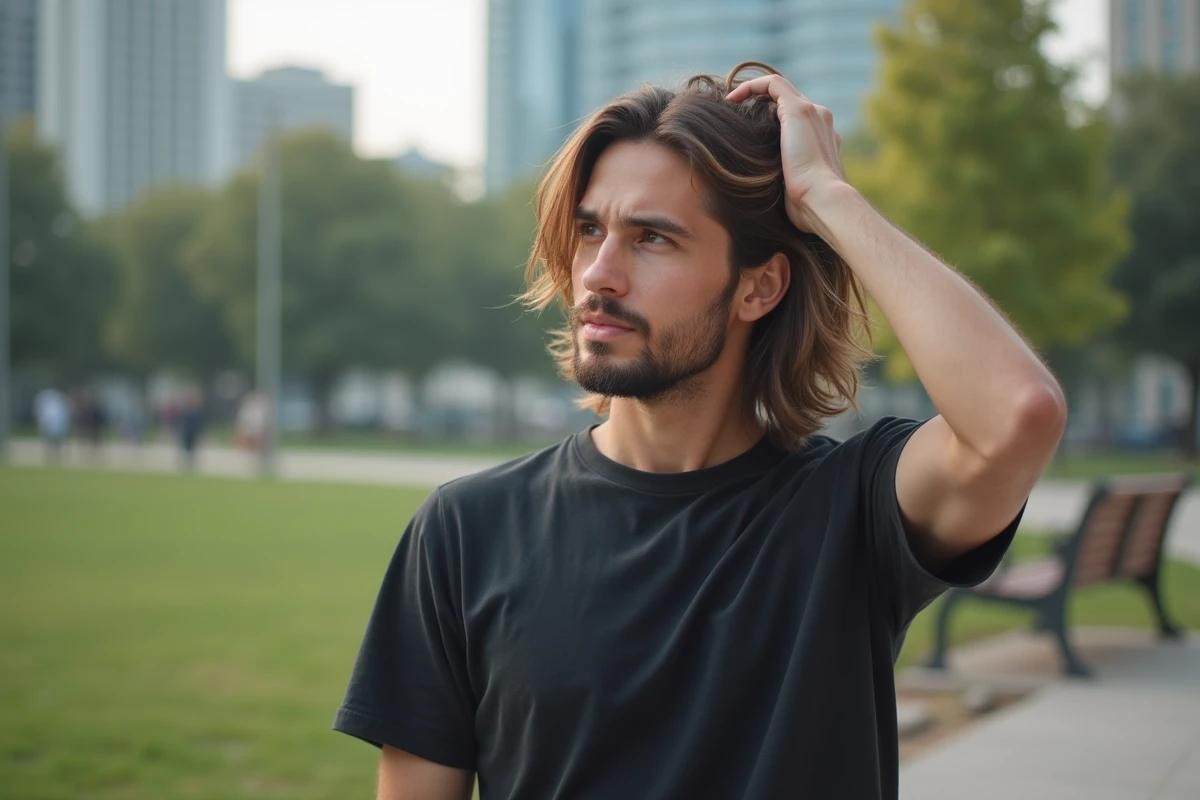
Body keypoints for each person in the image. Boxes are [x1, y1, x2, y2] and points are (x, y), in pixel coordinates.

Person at [334, 63, 1067, 799]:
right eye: (591, 231)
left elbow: (1017, 415)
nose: (599, 274)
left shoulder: (854, 513)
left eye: (652, 238)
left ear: (759, 286)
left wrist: (828, 198)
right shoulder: (465, 531)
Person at [34, 387, 71, 463]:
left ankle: (56, 457)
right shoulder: (52, 405)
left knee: (57, 442)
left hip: (57, 425)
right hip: (51, 425)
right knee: (50, 442)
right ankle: (50, 457)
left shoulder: (60, 404)